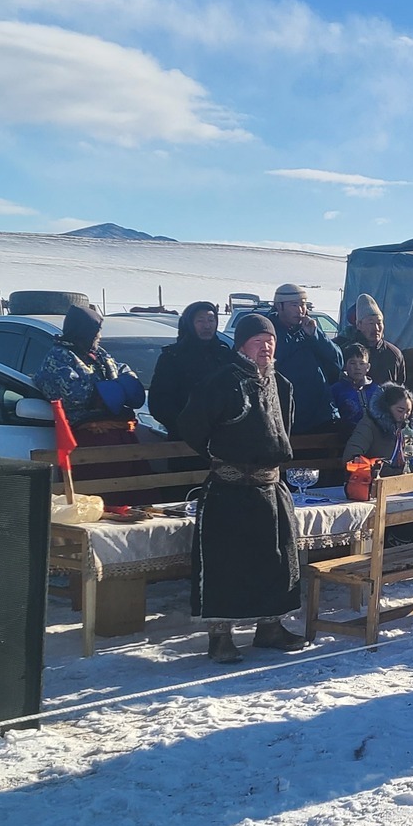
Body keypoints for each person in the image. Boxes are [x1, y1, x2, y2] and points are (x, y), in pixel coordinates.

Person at [180, 314, 306, 662]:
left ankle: (270, 627)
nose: (266, 347)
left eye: (270, 341)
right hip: (229, 489)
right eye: (258, 341)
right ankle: (220, 637)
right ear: (241, 345)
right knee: (226, 563)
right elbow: (192, 427)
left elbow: (285, 429)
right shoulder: (221, 382)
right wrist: (223, 458)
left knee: (275, 560)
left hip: (270, 487)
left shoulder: (282, 385)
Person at [33, 304, 145, 441]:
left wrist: (126, 382)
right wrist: (107, 391)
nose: (99, 336)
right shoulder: (58, 358)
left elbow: (120, 369)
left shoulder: (97, 354)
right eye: (96, 331)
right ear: (84, 332)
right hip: (86, 435)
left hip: (116, 429)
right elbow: (71, 396)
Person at [148, 301, 236, 439]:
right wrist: (185, 425)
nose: (207, 326)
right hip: (185, 439)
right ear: (189, 323)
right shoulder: (172, 357)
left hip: (224, 438)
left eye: (211, 320)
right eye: (200, 321)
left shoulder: (224, 354)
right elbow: (159, 402)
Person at [270, 284, 346, 436]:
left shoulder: (310, 330)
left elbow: (338, 361)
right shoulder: (269, 333)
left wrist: (315, 336)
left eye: (303, 305)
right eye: (294, 305)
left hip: (321, 415)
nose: (300, 310)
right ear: (279, 306)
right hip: (288, 418)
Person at [343, 382, 413, 474]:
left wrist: (412, 469)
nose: (404, 416)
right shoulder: (370, 424)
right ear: (387, 407)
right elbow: (352, 454)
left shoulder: (409, 429)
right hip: (376, 478)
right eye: (400, 410)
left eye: (408, 412)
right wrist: (377, 470)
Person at [337, 294, 407, 386]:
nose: (376, 328)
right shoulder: (346, 352)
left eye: (379, 323)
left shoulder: (394, 354)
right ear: (359, 325)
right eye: (371, 323)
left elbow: (400, 386)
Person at [329, 343, 375, 428]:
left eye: (362, 363)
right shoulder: (336, 390)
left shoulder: (377, 390)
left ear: (368, 367)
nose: (357, 367)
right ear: (345, 366)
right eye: (353, 363)